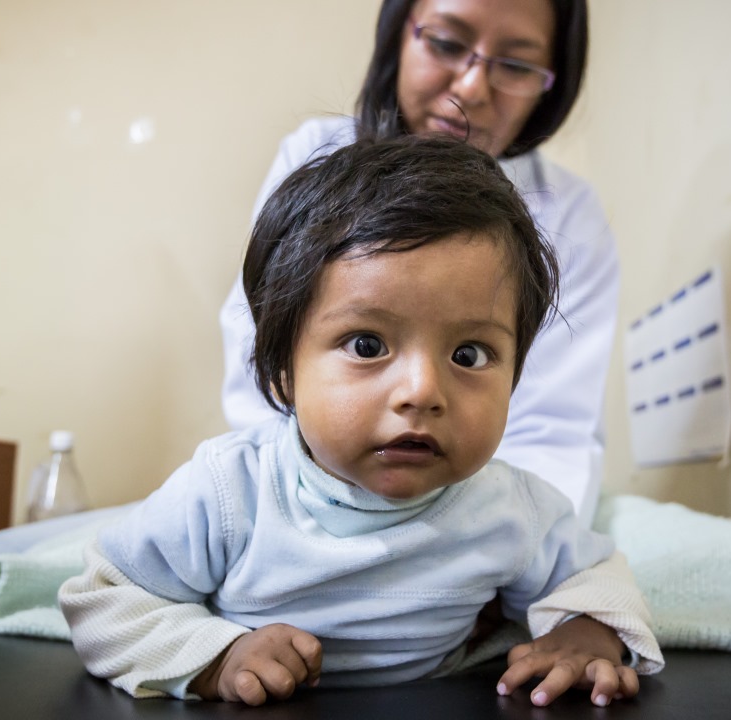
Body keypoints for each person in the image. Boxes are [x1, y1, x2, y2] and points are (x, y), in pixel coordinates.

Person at [59, 136, 662, 707]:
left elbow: (595, 575)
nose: (423, 391)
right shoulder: (230, 491)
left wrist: (587, 634)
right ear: (281, 372)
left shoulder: (510, 508)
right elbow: (105, 596)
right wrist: (218, 658)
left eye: (470, 355)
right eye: (367, 345)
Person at [220, 0, 616, 522]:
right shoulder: (318, 159)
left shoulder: (568, 215)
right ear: (397, 34)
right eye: (448, 44)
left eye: (516, 66)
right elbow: (263, 365)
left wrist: (489, 548)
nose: (472, 89)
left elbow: (553, 432)